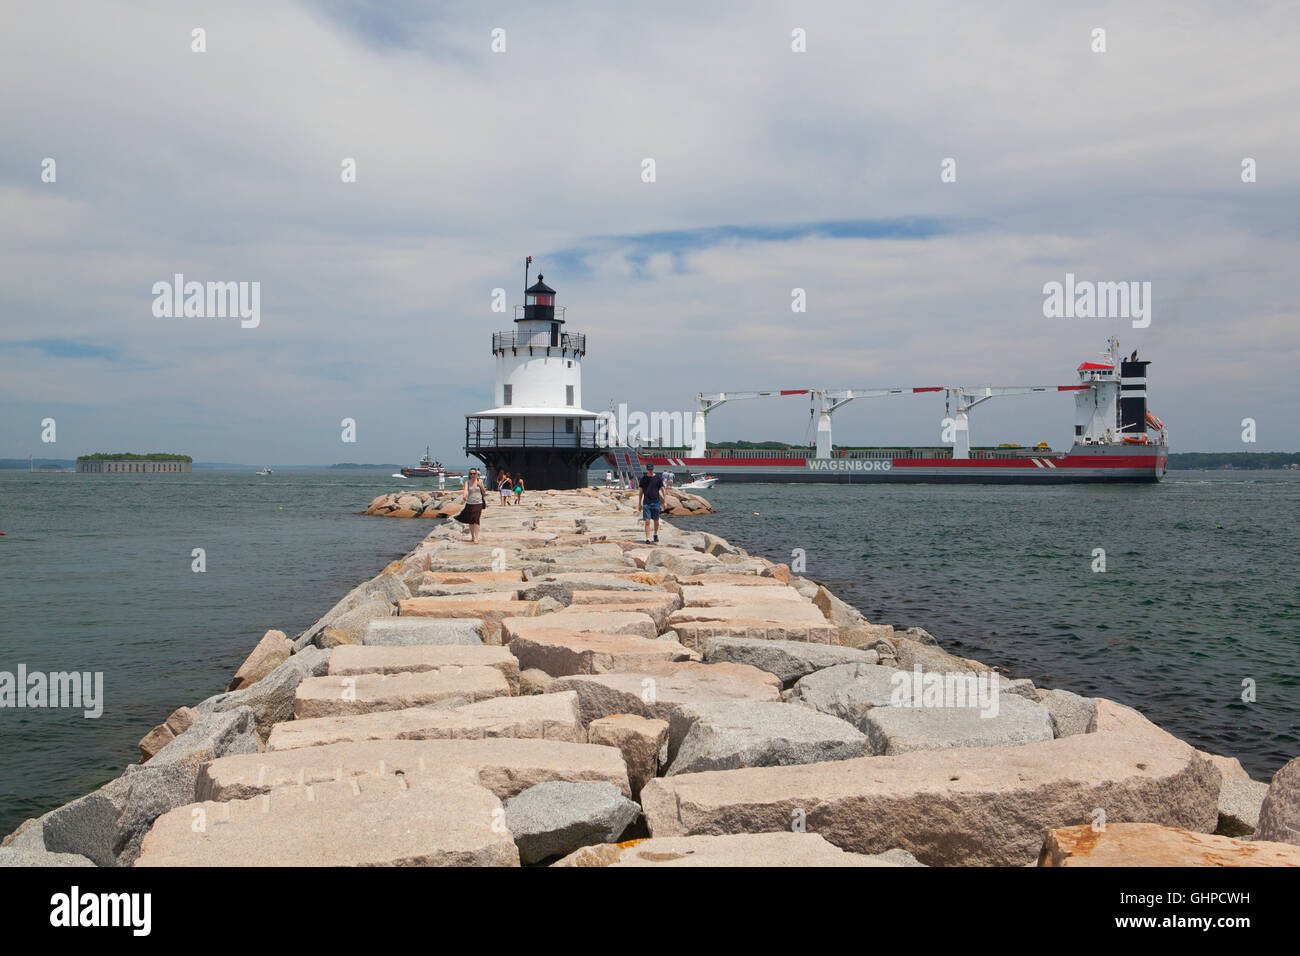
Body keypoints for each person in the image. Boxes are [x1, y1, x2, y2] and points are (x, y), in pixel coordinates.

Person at [454, 468, 487, 543]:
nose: (472, 475)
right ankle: (472, 536)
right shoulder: (467, 482)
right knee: (471, 520)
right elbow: (465, 490)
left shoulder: (480, 481)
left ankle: (476, 537)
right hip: (470, 503)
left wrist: (480, 486)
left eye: (474, 474)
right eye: (471, 474)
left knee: (476, 519)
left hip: (478, 503)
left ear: (476, 474)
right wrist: (464, 496)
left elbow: (484, 491)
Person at [638, 462, 665, 544]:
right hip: (646, 502)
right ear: (647, 469)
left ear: (653, 468)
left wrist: (665, 502)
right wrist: (639, 503)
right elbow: (641, 491)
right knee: (647, 521)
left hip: (656, 502)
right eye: (649, 469)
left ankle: (655, 534)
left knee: (656, 520)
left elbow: (663, 490)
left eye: (651, 469)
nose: (650, 470)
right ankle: (647, 538)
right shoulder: (643, 479)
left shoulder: (658, 478)